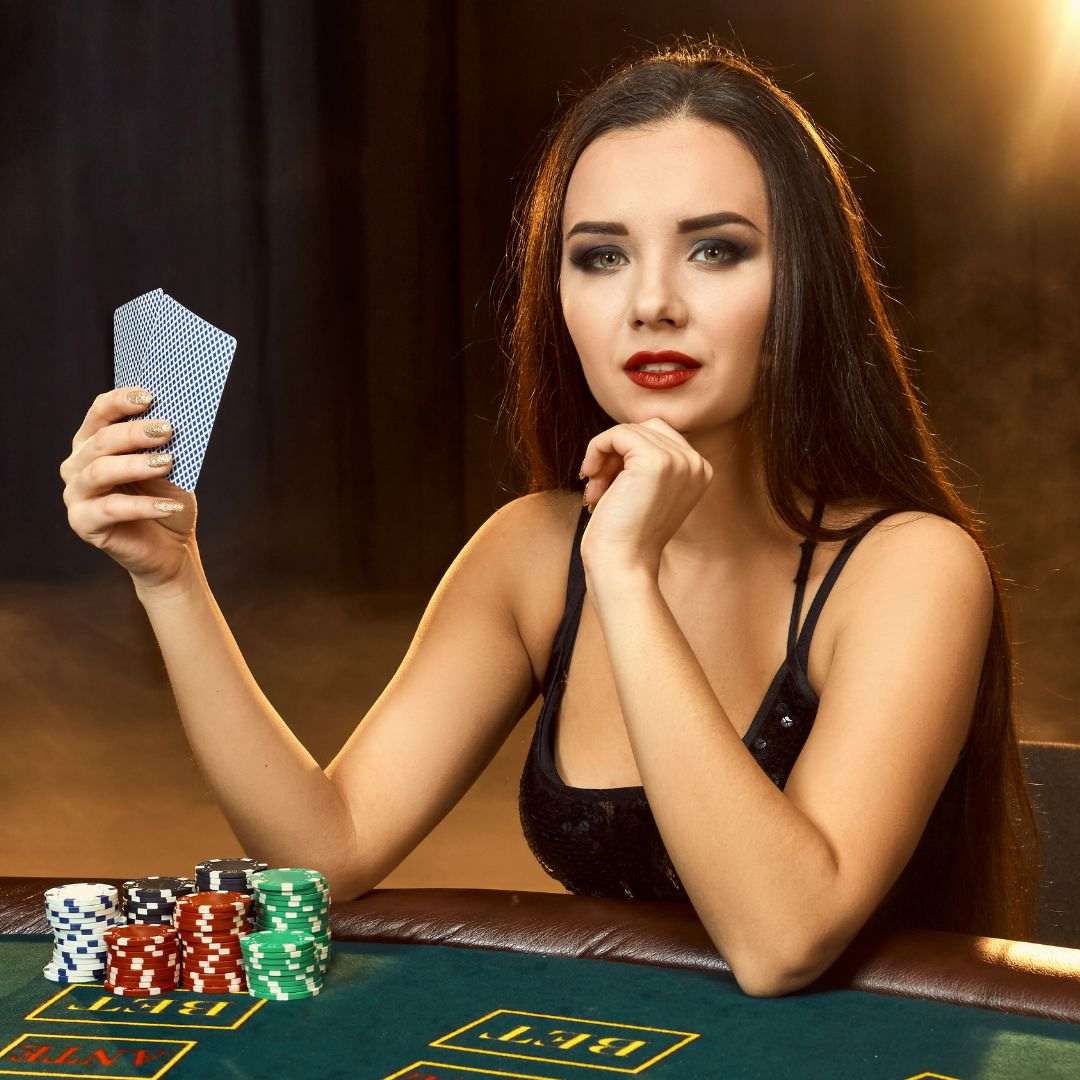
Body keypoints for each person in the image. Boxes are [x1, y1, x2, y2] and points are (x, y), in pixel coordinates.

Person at [59, 34, 1041, 998]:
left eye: (715, 249)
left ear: (803, 285)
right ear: (559, 296)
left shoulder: (912, 569)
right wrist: (170, 579)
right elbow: (326, 852)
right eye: (601, 257)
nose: (652, 302)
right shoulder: (530, 552)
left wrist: (626, 575)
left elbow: (781, 941)